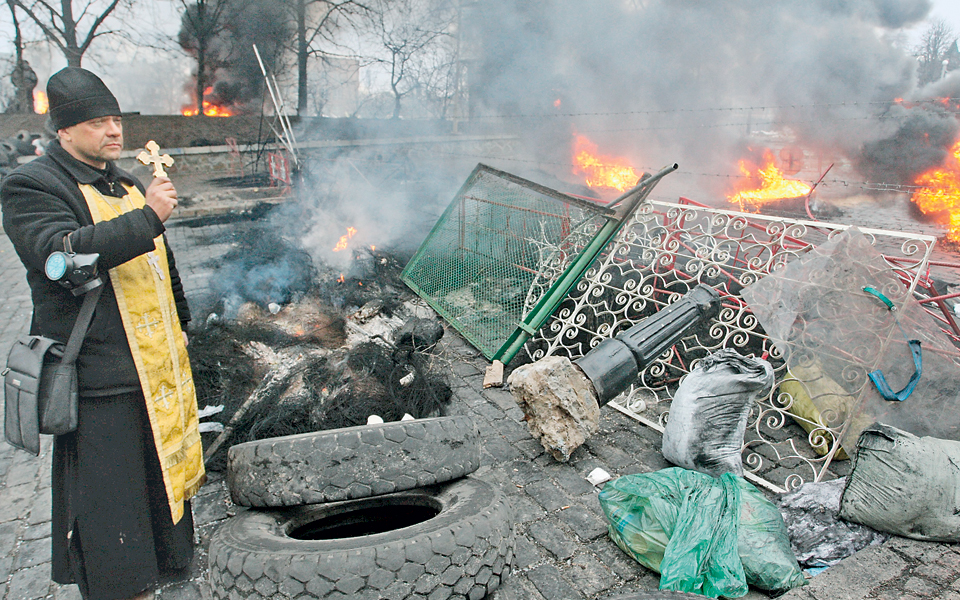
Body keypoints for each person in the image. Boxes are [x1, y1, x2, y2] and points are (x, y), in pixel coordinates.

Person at [0, 67, 205, 600]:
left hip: (154, 364)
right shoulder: (31, 185)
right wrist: (148, 219)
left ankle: (167, 570)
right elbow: (60, 259)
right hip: (99, 370)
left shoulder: (130, 181)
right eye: (97, 122)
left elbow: (162, 263)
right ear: (64, 131)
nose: (113, 131)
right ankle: (121, 587)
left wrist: (183, 328)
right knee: (110, 498)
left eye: (115, 119)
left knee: (159, 480)